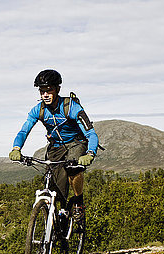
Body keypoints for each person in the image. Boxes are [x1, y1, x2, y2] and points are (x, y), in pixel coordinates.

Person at [9, 69, 98, 217]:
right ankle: (58, 220)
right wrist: (16, 148)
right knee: (53, 186)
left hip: (76, 142)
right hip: (56, 147)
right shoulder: (38, 110)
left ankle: (78, 202)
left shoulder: (71, 107)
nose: (45, 94)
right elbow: (24, 131)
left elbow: (91, 133)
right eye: (42, 91)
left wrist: (90, 153)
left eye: (49, 90)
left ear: (57, 89)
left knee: (73, 168)